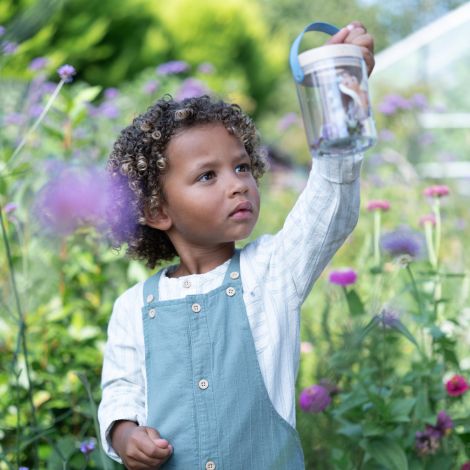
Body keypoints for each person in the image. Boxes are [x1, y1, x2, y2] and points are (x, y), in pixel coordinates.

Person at [98, 21, 374, 470]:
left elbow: (330, 202)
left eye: (242, 167)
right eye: (208, 175)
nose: (237, 185)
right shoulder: (132, 308)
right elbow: (121, 391)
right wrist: (125, 433)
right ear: (156, 211)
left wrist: (341, 99)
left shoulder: (272, 272)